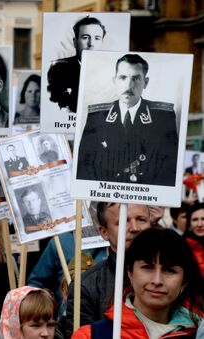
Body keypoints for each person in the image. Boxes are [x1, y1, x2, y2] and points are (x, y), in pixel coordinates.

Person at [72, 227, 204, 338]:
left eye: (169, 271)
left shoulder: (198, 333)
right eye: (147, 268)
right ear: (130, 273)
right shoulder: (91, 336)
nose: (157, 281)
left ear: (184, 281)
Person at [77, 53, 179, 186]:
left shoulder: (163, 118)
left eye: (136, 78)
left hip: (144, 200)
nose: (129, 85)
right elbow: (84, 167)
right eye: (123, 77)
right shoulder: (97, 117)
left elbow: (169, 169)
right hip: (107, 200)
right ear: (115, 81)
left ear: (145, 83)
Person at [64, 203, 152, 338]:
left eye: (141, 219)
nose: (135, 228)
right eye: (123, 221)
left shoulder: (172, 276)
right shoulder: (85, 286)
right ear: (104, 232)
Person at [47, 16, 106, 113]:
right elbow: (55, 107)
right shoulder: (58, 69)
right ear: (75, 42)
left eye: (97, 38)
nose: (91, 43)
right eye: (85, 37)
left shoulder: (111, 70)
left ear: (102, 42)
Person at [184, 202, 204, 278]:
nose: (199, 224)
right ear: (189, 225)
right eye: (195, 220)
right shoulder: (181, 247)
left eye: (203, 219)